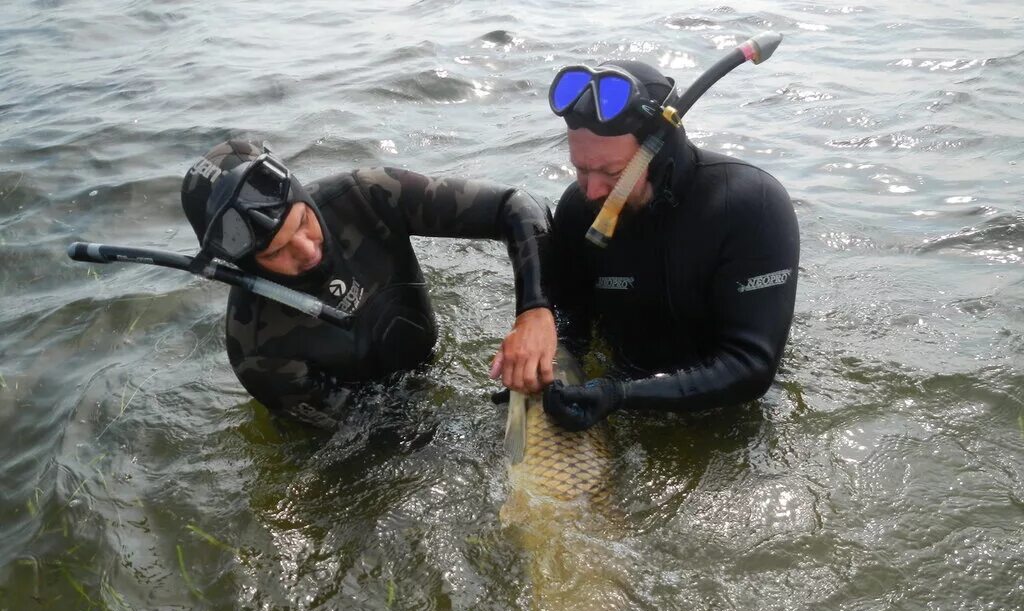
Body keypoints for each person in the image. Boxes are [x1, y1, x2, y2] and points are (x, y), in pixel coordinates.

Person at [180, 139, 557, 425]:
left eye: (302, 223)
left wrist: (535, 311)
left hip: (427, 361)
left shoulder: (365, 196)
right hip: (363, 423)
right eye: (278, 253)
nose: (307, 251)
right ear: (249, 265)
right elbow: (370, 435)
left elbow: (519, 206)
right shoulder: (257, 350)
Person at [539, 60, 800, 431]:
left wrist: (620, 395)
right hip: (611, 394)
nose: (592, 190)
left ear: (660, 158)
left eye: (612, 174)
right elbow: (567, 324)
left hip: (730, 410)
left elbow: (750, 368)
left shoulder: (749, 206)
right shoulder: (578, 212)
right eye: (581, 169)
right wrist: (543, 378)